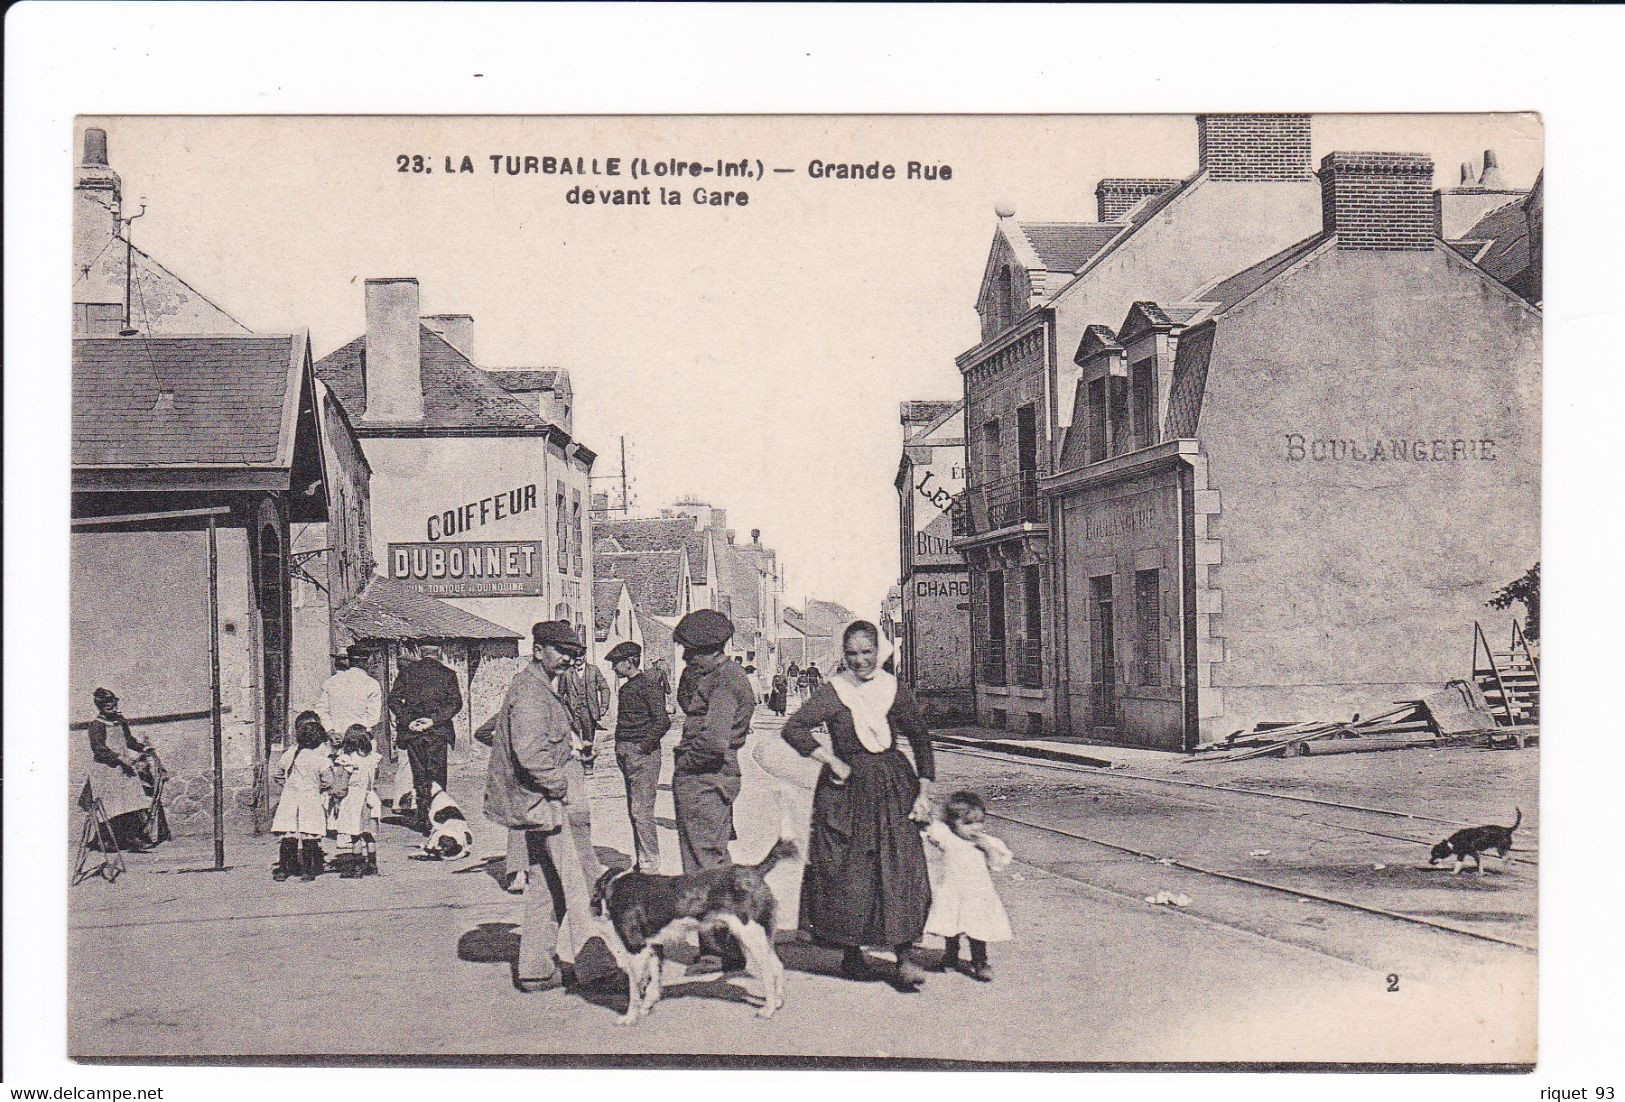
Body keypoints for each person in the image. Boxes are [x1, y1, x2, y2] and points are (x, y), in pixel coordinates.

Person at [778, 620, 936, 990]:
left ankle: (904, 956)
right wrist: (831, 761)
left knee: (900, 866)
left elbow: (920, 737)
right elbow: (794, 728)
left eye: (868, 652)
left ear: (879, 652)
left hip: (894, 784)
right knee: (848, 870)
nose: (861, 660)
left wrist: (924, 788)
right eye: (852, 653)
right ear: (843, 655)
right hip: (846, 789)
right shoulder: (834, 692)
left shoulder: (894, 689)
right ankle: (851, 952)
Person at [483, 620, 599, 990]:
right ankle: (598, 969)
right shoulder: (532, 693)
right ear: (538, 650)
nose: (568, 658)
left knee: (546, 885)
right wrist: (561, 785)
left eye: (573, 653)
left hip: (536, 804)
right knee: (578, 884)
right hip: (545, 803)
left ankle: (536, 969)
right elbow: (530, 753)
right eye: (561, 651)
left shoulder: (537, 687)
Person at [672, 609, 756, 970]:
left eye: (690, 652)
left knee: (706, 868)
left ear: (710, 649)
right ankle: (723, 945)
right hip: (709, 779)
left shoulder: (723, 682)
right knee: (708, 862)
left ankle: (721, 950)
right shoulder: (718, 676)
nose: (686, 658)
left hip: (705, 778)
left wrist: (684, 765)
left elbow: (713, 742)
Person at [923, 791, 1013, 982]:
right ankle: (950, 957)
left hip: (977, 894)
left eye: (979, 822)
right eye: (967, 823)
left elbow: (998, 864)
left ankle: (980, 961)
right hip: (953, 890)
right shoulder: (948, 838)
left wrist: (987, 848)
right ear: (952, 824)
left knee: (977, 929)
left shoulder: (987, 842)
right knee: (951, 927)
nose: (975, 828)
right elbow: (932, 831)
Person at [606, 641, 670, 872]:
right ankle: (642, 860)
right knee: (634, 810)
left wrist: (643, 747)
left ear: (631, 661)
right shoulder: (625, 689)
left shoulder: (650, 686)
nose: (613, 667)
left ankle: (651, 864)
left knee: (641, 811)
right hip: (626, 752)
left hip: (643, 755)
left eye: (616, 662)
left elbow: (663, 721)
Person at [387, 640, 462, 834]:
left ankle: (423, 819)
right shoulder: (448, 674)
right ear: (440, 652)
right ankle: (438, 817)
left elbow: (393, 700)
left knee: (419, 776)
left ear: (420, 651)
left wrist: (408, 721)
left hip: (414, 733)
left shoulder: (408, 672)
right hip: (437, 732)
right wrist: (434, 720)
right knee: (437, 776)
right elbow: (455, 704)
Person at [82, 687, 167, 851]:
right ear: (100, 707)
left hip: (123, 769)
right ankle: (105, 841)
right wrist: (120, 758)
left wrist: (144, 749)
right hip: (106, 770)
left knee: (131, 801)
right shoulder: (96, 725)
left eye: (114, 706)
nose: (113, 710)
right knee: (111, 806)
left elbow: (129, 741)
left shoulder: (119, 721)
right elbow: (98, 749)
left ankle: (129, 838)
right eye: (109, 707)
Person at [272, 712, 336, 882]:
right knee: (309, 834)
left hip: (290, 799)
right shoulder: (319, 759)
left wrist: (288, 785)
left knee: (289, 833)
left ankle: (284, 869)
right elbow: (329, 780)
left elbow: (277, 774)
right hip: (310, 799)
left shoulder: (290, 753)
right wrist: (318, 787)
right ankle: (309, 870)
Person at [331, 725, 383, 878]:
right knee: (369, 834)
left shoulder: (348, 760)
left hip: (354, 800)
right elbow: (376, 777)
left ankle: (357, 867)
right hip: (370, 797)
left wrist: (337, 797)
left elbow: (342, 784)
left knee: (356, 835)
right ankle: (372, 865)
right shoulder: (373, 758)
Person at [316, 644, 381, 742]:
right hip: (360, 743)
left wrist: (331, 732)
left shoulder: (330, 682)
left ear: (349, 661)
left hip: (335, 741)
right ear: (368, 662)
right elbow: (373, 718)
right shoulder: (372, 684)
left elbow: (320, 711)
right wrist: (353, 735)